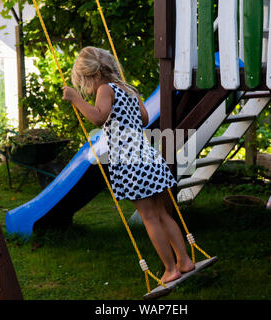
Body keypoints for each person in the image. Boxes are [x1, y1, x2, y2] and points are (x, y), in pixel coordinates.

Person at [62, 46, 195, 283]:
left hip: (130, 162)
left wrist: (76, 99)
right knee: (163, 213)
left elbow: (98, 117)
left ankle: (170, 268)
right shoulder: (130, 90)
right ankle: (184, 260)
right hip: (148, 156)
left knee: (149, 217)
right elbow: (144, 119)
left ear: (91, 75)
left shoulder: (105, 89)